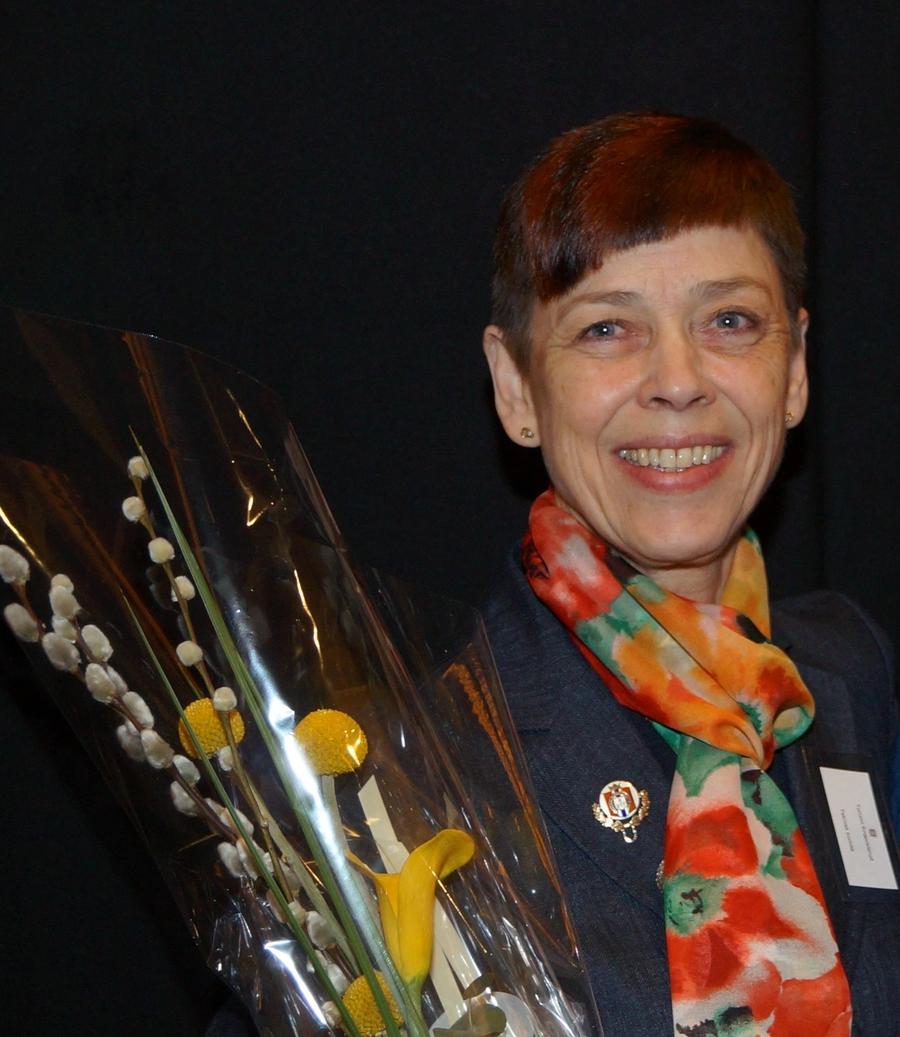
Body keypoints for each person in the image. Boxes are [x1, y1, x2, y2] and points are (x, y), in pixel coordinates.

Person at [480, 112, 899, 1036]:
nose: (678, 379)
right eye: (606, 328)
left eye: (729, 321)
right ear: (515, 387)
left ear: (794, 367)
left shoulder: (855, 671)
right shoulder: (415, 748)